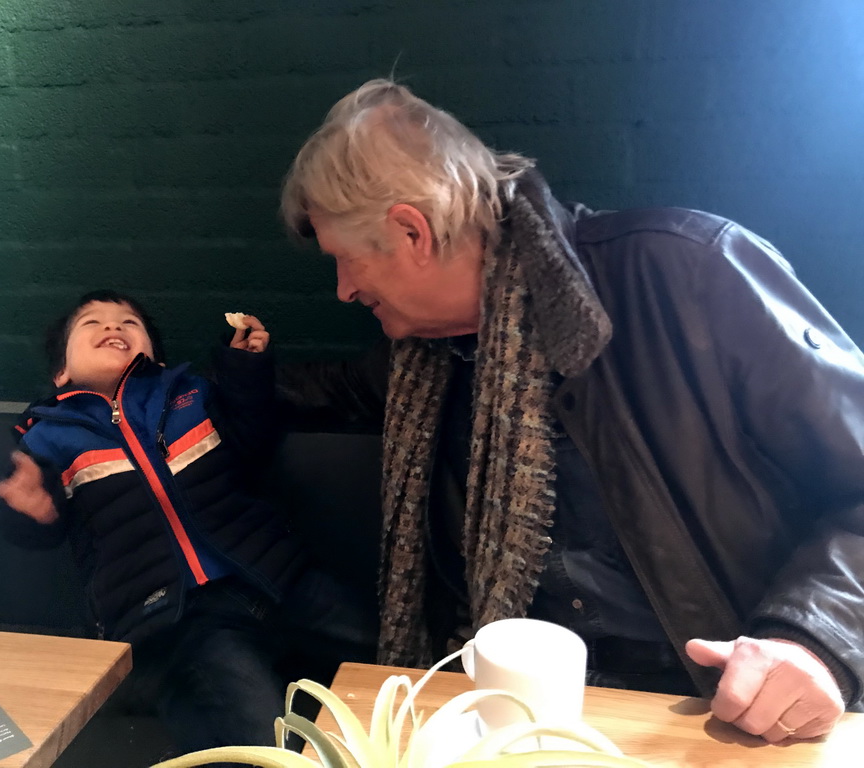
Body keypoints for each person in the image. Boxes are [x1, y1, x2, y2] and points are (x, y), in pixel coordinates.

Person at [276, 78, 864, 743]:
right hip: (508, 718)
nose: (343, 290)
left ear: (412, 232)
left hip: (709, 713)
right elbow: (334, 389)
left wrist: (814, 636)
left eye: (346, 262)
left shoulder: (689, 273)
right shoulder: (423, 360)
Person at [0, 290, 374, 755]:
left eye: (129, 323)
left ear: (153, 354)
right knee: (255, 735)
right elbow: (40, 530)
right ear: (61, 373)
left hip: (279, 578)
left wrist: (245, 370)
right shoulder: (48, 436)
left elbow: (253, 440)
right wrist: (32, 510)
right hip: (180, 617)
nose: (113, 327)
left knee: (395, 653)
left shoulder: (191, 396)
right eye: (92, 323)